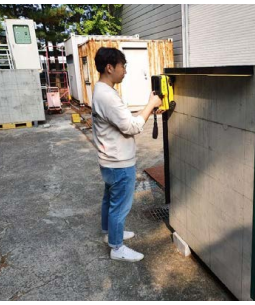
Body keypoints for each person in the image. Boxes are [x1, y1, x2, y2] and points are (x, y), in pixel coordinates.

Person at [91, 47, 162, 262]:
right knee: (120, 206)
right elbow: (130, 127)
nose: (125, 71)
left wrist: (147, 108)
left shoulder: (102, 91)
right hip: (119, 162)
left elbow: (124, 119)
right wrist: (151, 105)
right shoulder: (108, 96)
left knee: (109, 200)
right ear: (110, 67)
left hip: (109, 160)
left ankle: (110, 233)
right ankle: (117, 247)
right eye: (123, 66)